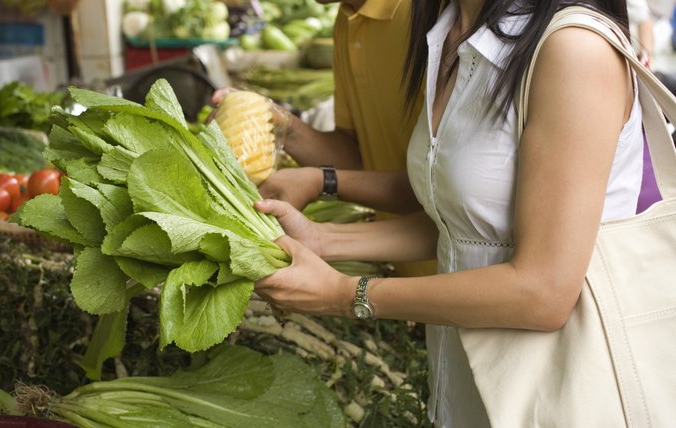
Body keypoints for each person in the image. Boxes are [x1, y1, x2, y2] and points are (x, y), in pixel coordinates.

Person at [254, 1, 642, 426]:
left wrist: (348, 294)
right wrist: (322, 240)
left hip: (562, 399)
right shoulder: (449, 33)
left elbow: (543, 292)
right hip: (464, 384)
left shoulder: (574, 49)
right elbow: (464, 221)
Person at [214, 0, 436, 275]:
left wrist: (322, 182)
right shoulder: (348, 18)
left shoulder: (434, 15)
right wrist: (283, 126)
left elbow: (441, 190)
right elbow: (356, 156)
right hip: (402, 273)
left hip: (454, 283)